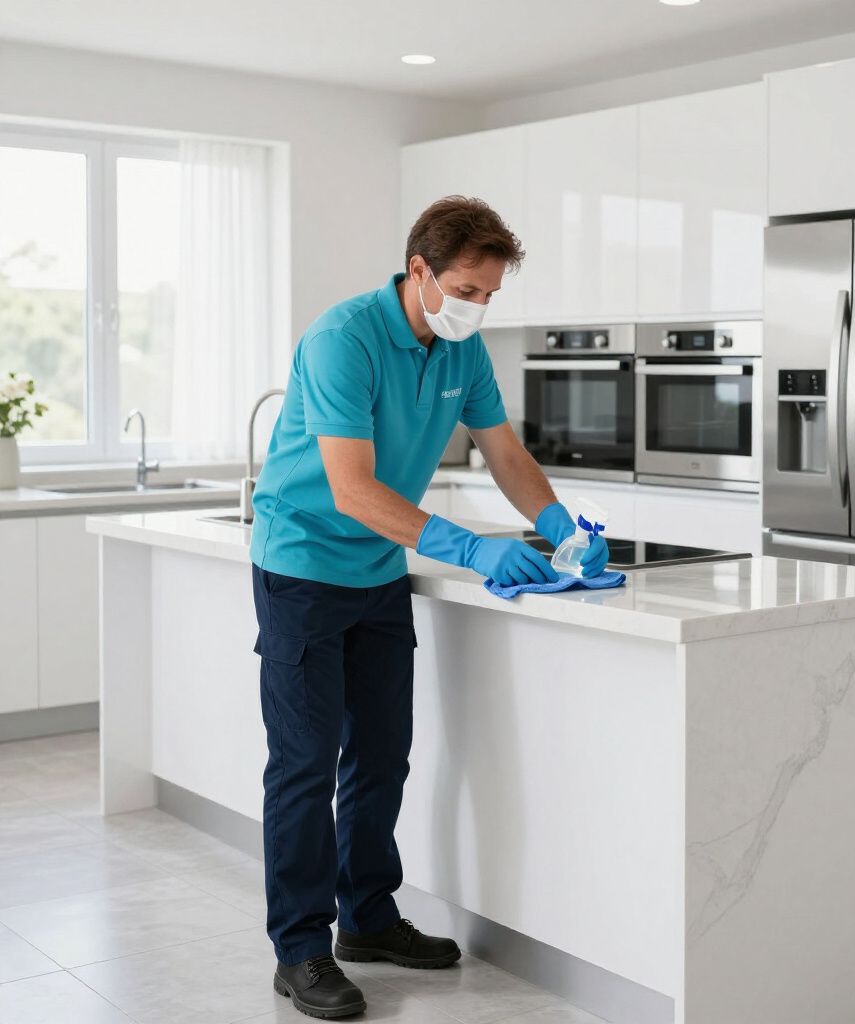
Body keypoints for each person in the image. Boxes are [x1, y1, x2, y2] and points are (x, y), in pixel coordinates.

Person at [249, 195, 610, 1018]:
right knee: (305, 765)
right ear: (420, 271)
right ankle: (299, 949)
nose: (477, 308)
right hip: (302, 569)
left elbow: (504, 452)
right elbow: (350, 489)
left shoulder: (462, 349)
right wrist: (471, 548)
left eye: (489, 295)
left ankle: (367, 918)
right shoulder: (342, 340)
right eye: (468, 290)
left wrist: (558, 525)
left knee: (381, 756)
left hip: (377, 571)